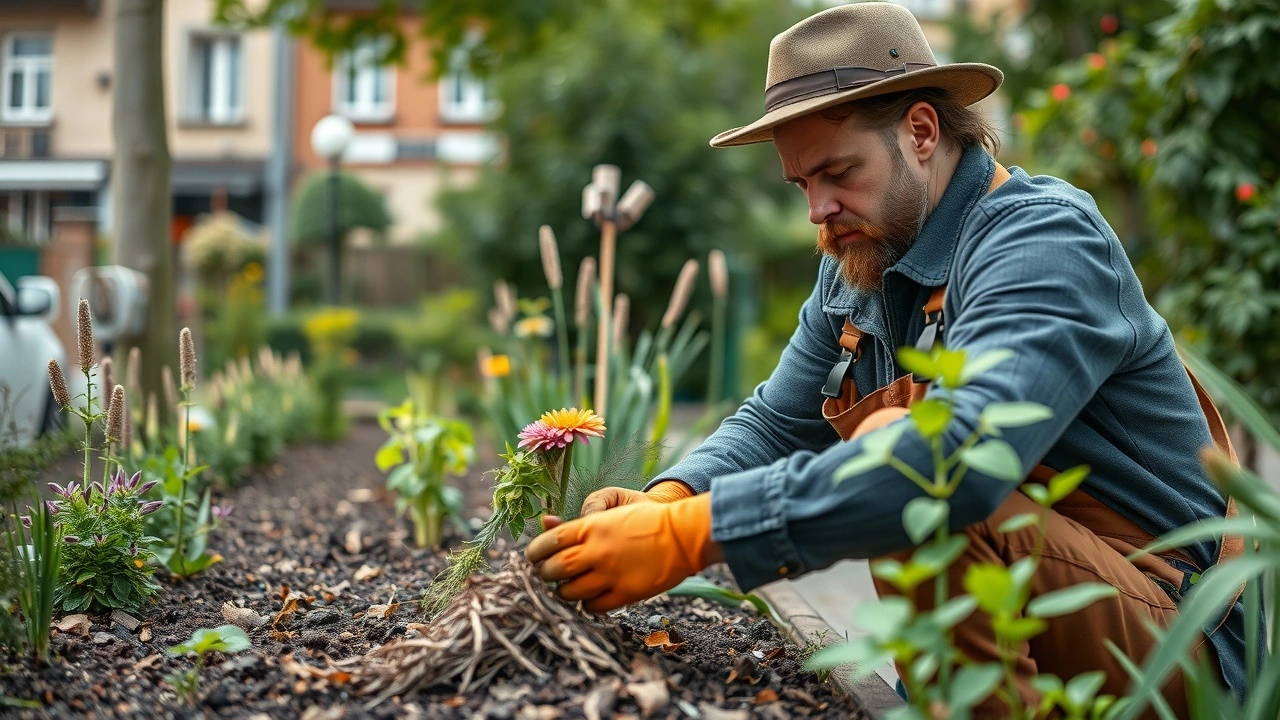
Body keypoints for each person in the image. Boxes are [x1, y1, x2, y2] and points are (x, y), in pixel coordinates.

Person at [526, 3, 1246, 714]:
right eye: (802, 183)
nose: (817, 209)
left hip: (1171, 634)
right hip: (1040, 608)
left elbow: (957, 465)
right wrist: (670, 497)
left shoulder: (1042, 243)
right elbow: (779, 423)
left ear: (922, 132)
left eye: (838, 172)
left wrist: (692, 538)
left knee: (912, 468)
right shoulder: (860, 262)